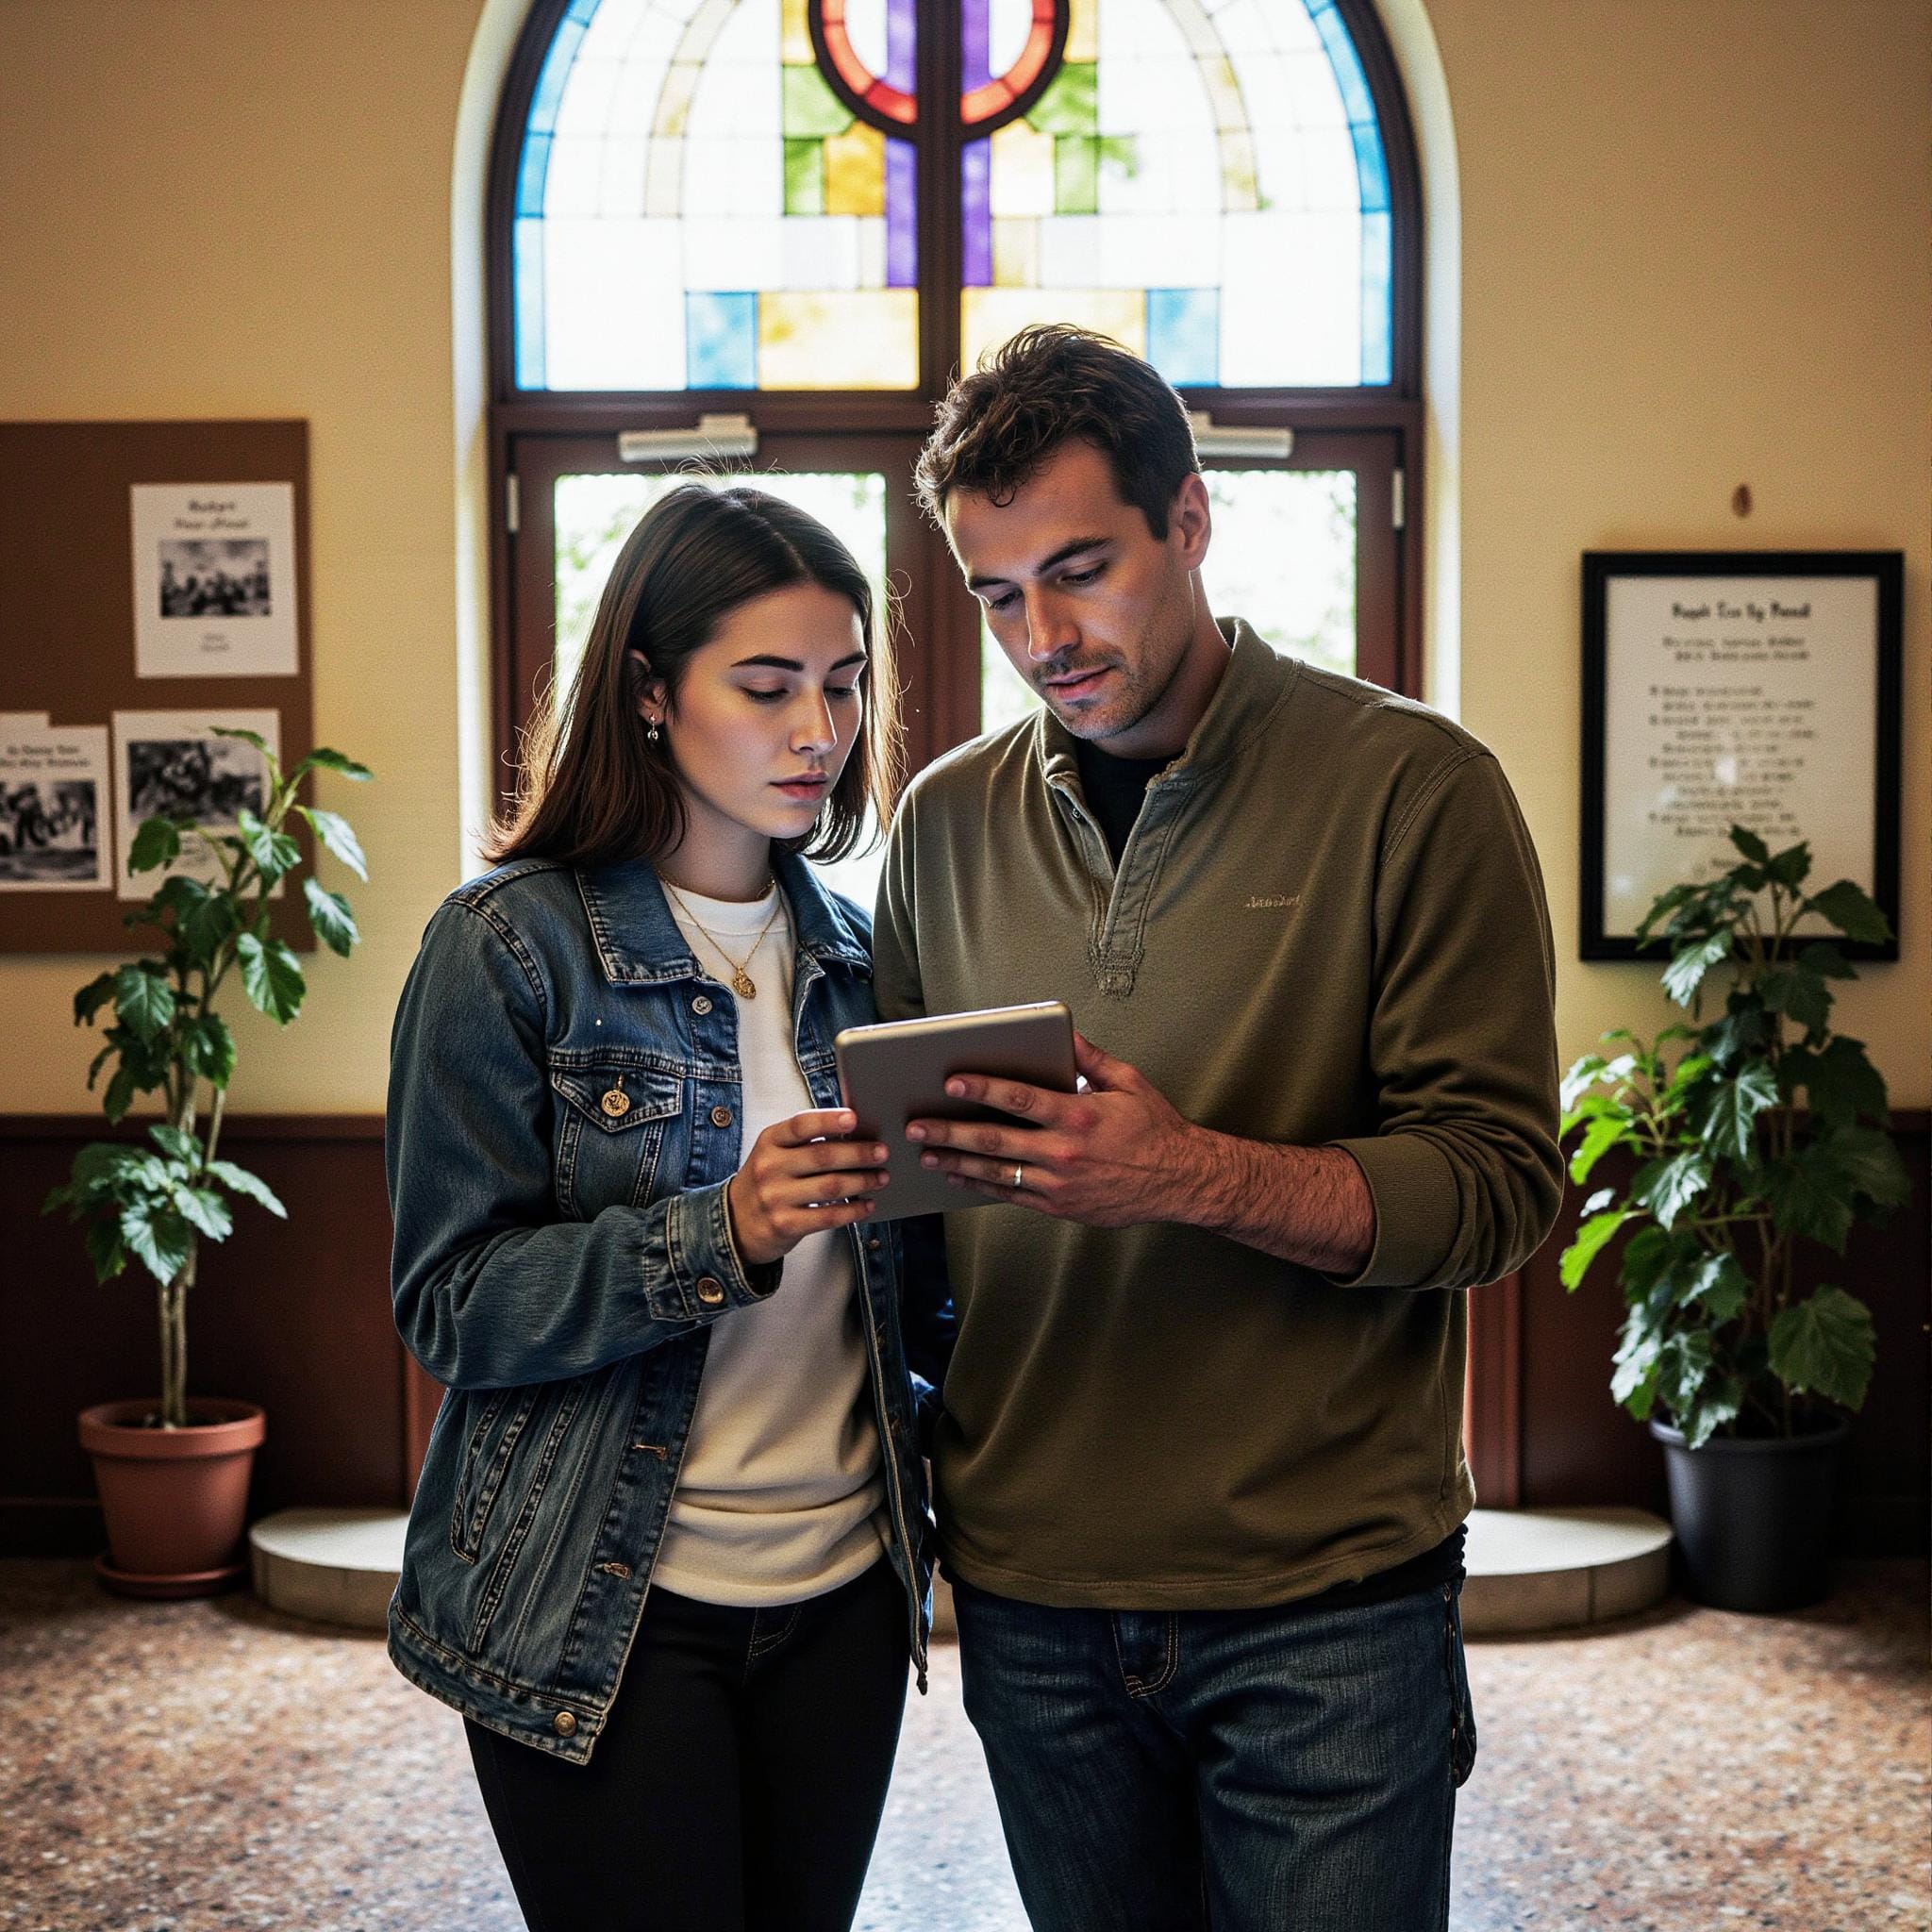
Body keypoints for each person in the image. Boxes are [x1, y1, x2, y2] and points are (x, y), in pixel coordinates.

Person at [874, 325, 1562, 1932]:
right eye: (996, 595)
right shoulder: (943, 822)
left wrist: (1183, 1172)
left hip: (1327, 1603)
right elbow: (910, 1222)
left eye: (1081, 568)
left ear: (1190, 521)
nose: (1043, 634)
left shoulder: (1415, 787)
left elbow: (1501, 1188)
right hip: (1033, 1601)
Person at [384, 482, 944, 1932]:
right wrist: (725, 1233)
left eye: (842, 687)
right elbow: (451, 1307)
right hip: (600, 1605)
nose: (817, 733)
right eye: (766, 689)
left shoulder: (872, 965)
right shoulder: (506, 949)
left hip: (843, 1598)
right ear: (648, 690)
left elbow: (917, 1308)